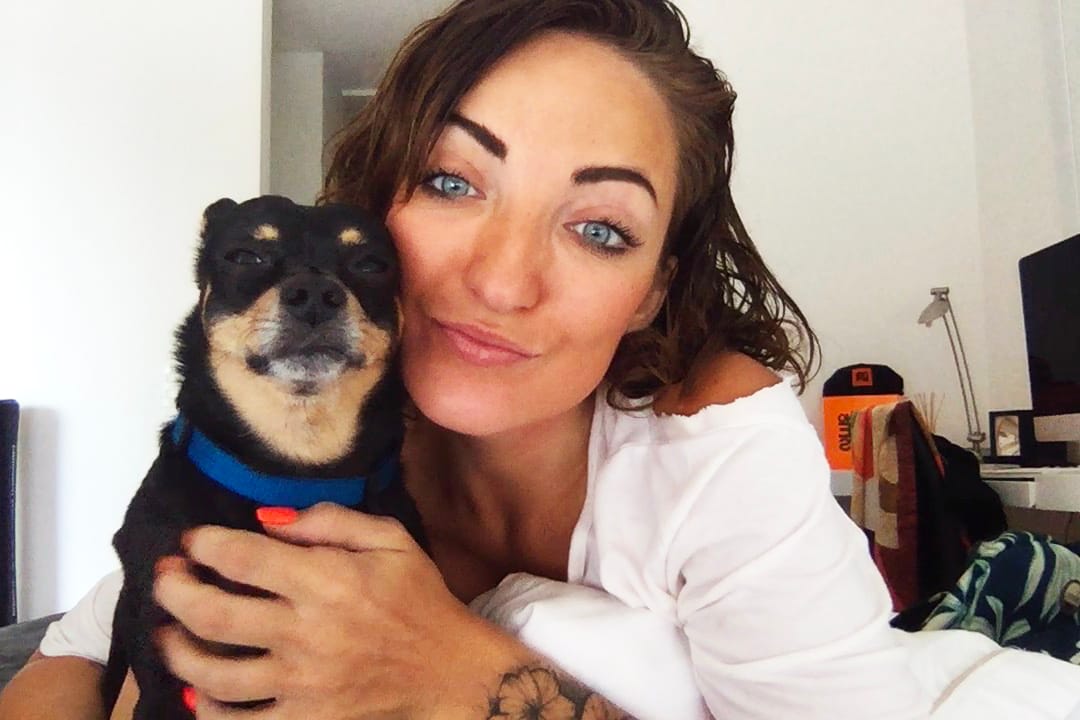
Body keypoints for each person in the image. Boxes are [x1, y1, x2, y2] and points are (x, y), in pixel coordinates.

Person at [0, 0, 931, 718]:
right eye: (453, 181)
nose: (502, 280)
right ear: (380, 206)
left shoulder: (713, 452)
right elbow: (75, 649)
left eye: (600, 229)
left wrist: (454, 675)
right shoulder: (318, 418)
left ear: (652, 290)